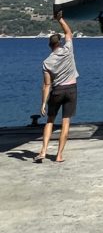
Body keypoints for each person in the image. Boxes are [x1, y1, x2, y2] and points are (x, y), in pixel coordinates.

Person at [36, 11, 79, 163]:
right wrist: (60, 19)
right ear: (59, 42)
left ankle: (43, 151)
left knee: (50, 120)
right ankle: (59, 155)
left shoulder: (46, 62)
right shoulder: (68, 50)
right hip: (71, 89)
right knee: (65, 122)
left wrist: (43, 103)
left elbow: (47, 84)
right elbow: (68, 32)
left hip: (57, 91)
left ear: (50, 45)